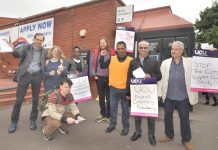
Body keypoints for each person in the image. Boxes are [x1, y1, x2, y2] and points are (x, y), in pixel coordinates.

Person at [158, 41, 198, 150]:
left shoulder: (189, 62)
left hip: (183, 97)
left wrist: (212, 53)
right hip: (169, 96)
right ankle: (169, 135)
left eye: (176, 49)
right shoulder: (165, 63)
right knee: (167, 117)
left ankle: (186, 140)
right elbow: (161, 80)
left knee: (184, 118)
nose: (173, 51)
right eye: (172, 49)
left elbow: (204, 62)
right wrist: (159, 93)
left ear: (181, 50)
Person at [8, 33, 47, 133]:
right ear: (34, 39)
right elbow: (17, 54)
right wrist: (12, 48)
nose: (39, 41)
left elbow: (54, 55)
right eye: (37, 39)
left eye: (41, 40)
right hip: (25, 74)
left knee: (35, 100)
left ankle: (33, 120)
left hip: (37, 76)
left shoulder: (44, 51)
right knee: (19, 100)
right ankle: (13, 122)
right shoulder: (27, 47)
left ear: (43, 41)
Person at [126, 40, 162, 145]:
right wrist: (128, 93)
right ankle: (138, 132)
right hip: (137, 93)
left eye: (145, 48)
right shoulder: (133, 62)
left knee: (150, 116)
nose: (143, 49)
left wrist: (151, 76)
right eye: (141, 47)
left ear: (148, 49)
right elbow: (128, 78)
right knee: (137, 114)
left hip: (149, 93)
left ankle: (151, 134)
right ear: (138, 49)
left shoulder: (154, 61)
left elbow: (160, 76)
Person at [100, 41, 132, 136]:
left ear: (125, 49)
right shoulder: (111, 58)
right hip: (113, 88)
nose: (120, 50)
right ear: (116, 50)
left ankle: (125, 127)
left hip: (125, 89)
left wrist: (130, 91)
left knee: (125, 109)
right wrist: (102, 56)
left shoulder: (131, 60)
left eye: (122, 48)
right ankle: (112, 125)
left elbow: (134, 76)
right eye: (118, 48)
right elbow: (102, 66)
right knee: (113, 108)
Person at [90, 38, 115, 123]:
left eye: (104, 43)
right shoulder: (95, 52)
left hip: (109, 78)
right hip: (99, 78)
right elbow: (92, 65)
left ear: (107, 43)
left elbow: (115, 64)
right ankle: (103, 114)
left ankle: (109, 115)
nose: (102, 44)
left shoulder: (111, 53)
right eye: (101, 43)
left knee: (109, 98)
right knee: (101, 97)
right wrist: (94, 74)